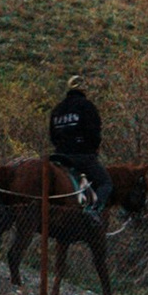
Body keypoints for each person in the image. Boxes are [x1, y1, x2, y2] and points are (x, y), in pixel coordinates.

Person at [48, 73, 107, 219]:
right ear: (84, 90)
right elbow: (94, 133)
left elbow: (52, 136)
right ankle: (93, 213)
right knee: (105, 183)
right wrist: (92, 149)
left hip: (60, 156)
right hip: (82, 156)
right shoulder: (87, 106)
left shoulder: (57, 109)